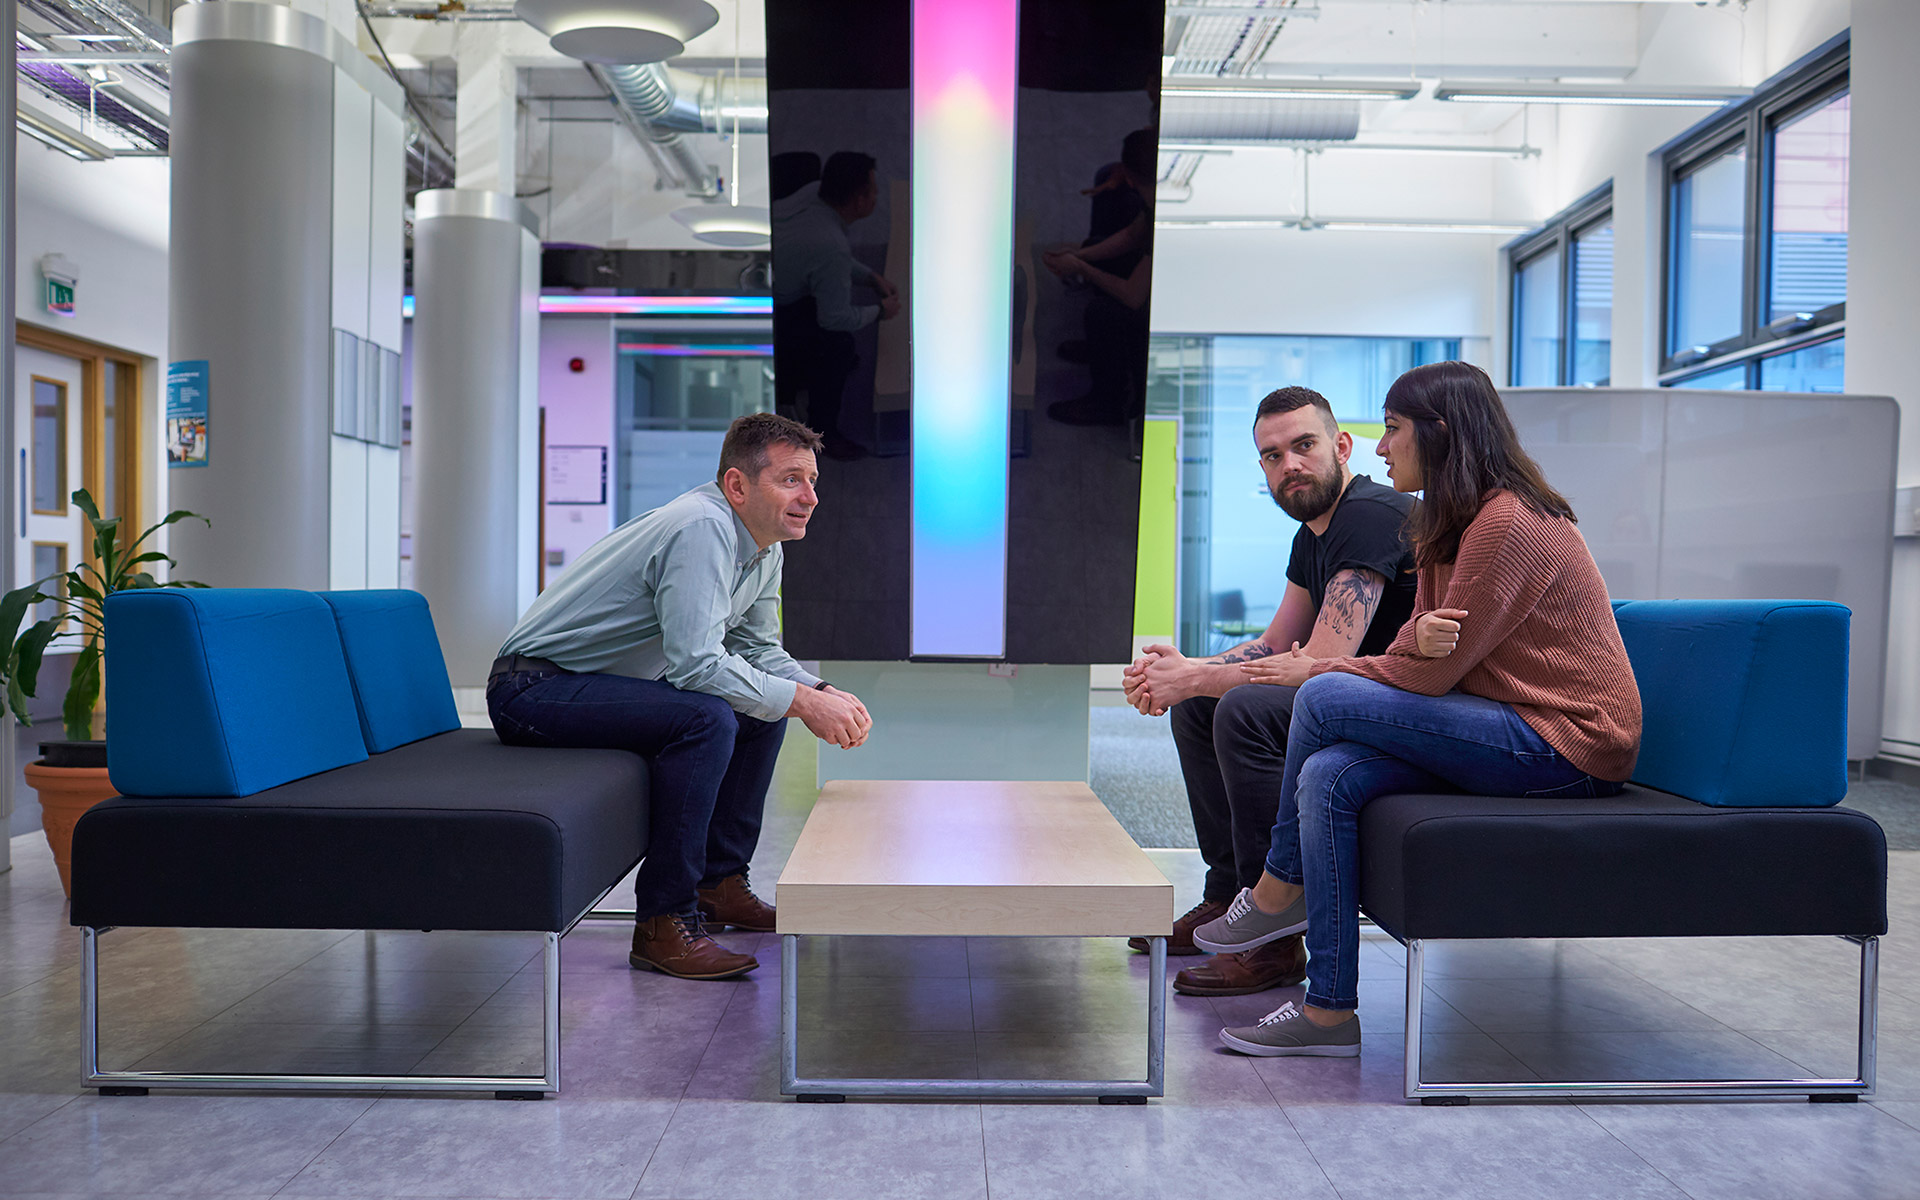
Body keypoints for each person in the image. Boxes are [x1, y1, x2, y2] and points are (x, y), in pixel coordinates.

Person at [1192, 361, 1643, 1056]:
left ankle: (1278, 891)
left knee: (1323, 691)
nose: (1380, 447)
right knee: (1328, 775)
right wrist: (1416, 645)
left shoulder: (1508, 523)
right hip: (1501, 719)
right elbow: (1415, 648)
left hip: (1567, 742)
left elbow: (1427, 677)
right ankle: (1329, 1011)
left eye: (1393, 429)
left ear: (1439, 433)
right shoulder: (1442, 523)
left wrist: (1351, 663)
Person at [487, 413, 874, 981]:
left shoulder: (763, 546)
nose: (810, 497)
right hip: (533, 689)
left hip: (593, 684)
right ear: (738, 485)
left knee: (762, 708)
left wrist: (817, 690)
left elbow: (758, 651)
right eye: (792, 479)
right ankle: (664, 922)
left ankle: (719, 883)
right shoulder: (702, 528)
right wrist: (799, 702)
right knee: (709, 716)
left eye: (813, 481)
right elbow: (697, 665)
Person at [1121, 386, 1416, 997]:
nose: (1290, 465)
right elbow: (1278, 641)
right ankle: (1228, 897)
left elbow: (1324, 663)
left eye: (1304, 446)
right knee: (1201, 704)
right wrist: (1181, 672)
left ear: (1340, 446)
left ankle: (1272, 937)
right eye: (1273, 456)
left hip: (1402, 707)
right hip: (1342, 698)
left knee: (1244, 709)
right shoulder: (1311, 534)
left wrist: (1195, 677)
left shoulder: (1369, 516)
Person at [772, 150, 901, 459]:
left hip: (776, 264)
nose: (877, 195)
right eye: (872, 190)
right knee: (838, 347)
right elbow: (834, 318)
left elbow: (826, 256)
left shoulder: (812, 192)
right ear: (857, 201)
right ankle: (822, 431)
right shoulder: (830, 246)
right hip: (774, 308)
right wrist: (883, 311)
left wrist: (869, 276)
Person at [1041, 128, 1157, 427]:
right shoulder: (1154, 195)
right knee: (1106, 260)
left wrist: (1082, 268)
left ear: (1132, 177)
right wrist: (1083, 254)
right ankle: (1103, 352)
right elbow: (1133, 235)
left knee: (1104, 313)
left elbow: (1134, 296)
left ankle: (1109, 402)